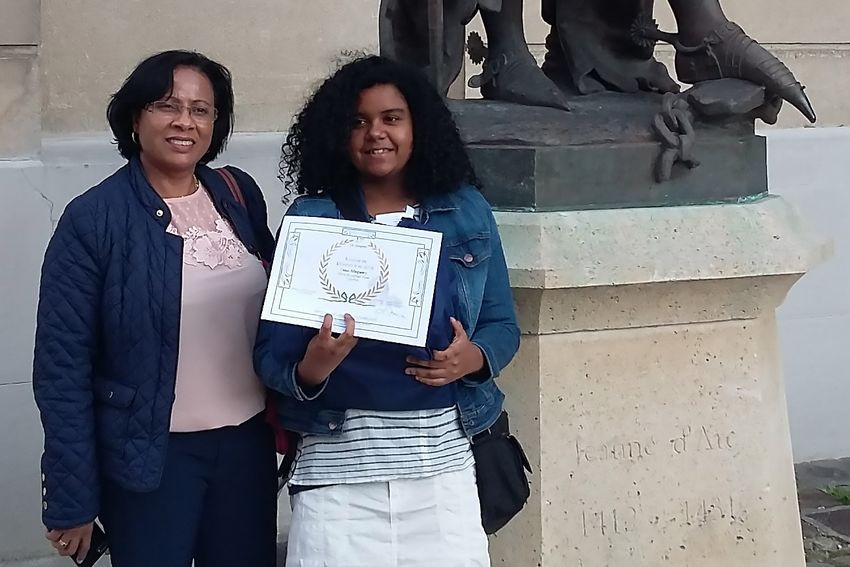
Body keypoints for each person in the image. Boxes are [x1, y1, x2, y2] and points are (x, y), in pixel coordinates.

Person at [254, 55, 520, 567]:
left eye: (391, 118)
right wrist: (315, 366)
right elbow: (270, 355)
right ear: (337, 133)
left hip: (441, 473)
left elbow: (502, 324)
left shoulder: (466, 212)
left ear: (417, 126)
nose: (375, 133)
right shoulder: (313, 220)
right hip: (336, 479)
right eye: (358, 121)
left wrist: (473, 358)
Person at [32, 50, 277, 567]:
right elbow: (62, 368)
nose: (185, 121)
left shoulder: (237, 195)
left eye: (201, 109)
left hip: (244, 450)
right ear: (135, 116)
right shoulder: (93, 220)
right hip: (150, 459)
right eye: (167, 105)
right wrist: (71, 500)